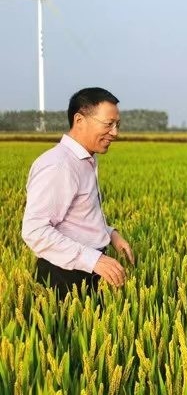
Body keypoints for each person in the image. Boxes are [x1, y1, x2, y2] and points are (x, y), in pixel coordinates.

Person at [22, 87, 135, 298]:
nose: (115, 133)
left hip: (88, 268)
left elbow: (78, 218)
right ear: (79, 120)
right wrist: (94, 260)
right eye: (108, 124)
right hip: (64, 276)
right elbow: (35, 231)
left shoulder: (85, 160)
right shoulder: (59, 165)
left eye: (117, 125)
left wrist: (111, 234)